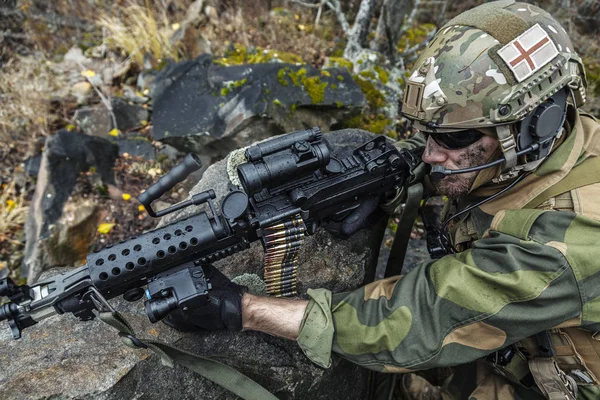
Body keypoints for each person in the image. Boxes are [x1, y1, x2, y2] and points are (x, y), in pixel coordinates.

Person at [166, 1, 600, 398]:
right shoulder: (544, 147)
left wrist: (245, 309)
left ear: (533, 126)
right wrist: (376, 176)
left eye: (452, 139)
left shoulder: (569, 239)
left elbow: (420, 318)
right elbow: (432, 155)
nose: (432, 154)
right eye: (427, 135)